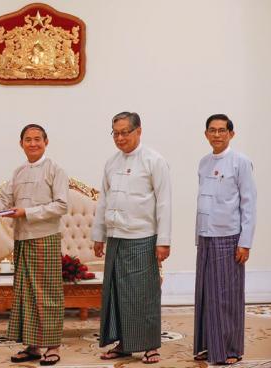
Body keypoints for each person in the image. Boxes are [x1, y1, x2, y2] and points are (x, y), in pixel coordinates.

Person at [0, 124, 68, 366]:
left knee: (48, 294)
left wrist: (27, 212)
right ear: (21, 143)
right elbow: (3, 202)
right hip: (22, 239)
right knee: (26, 294)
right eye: (28, 139)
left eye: (37, 139)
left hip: (46, 238)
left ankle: (52, 346)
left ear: (46, 141)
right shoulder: (18, 172)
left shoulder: (55, 169)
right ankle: (32, 347)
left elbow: (62, 205)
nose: (33, 144)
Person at [91, 112, 171, 364]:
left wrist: (163, 240)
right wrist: (99, 234)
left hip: (142, 237)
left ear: (138, 131)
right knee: (116, 294)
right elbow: (104, 199)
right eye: (115, 133)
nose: (120, 137)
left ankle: (149, 346)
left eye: (125, 132)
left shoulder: (154, 160)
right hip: (115, 237)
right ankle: (123, 344)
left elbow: (165, 203)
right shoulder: (111, 162)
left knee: (143, 294)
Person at [193, 114, 256, 365]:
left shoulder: (241, 162)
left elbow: (248, 203)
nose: (217, 134)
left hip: (229, 236)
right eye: (212, 130)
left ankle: (230, 349)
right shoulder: (204, 162)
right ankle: (209, 345)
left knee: (227, 295)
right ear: (206, 134)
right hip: (206, 236)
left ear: (231, 133)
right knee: (207, 294)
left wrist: (245, 241)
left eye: (222, 130)